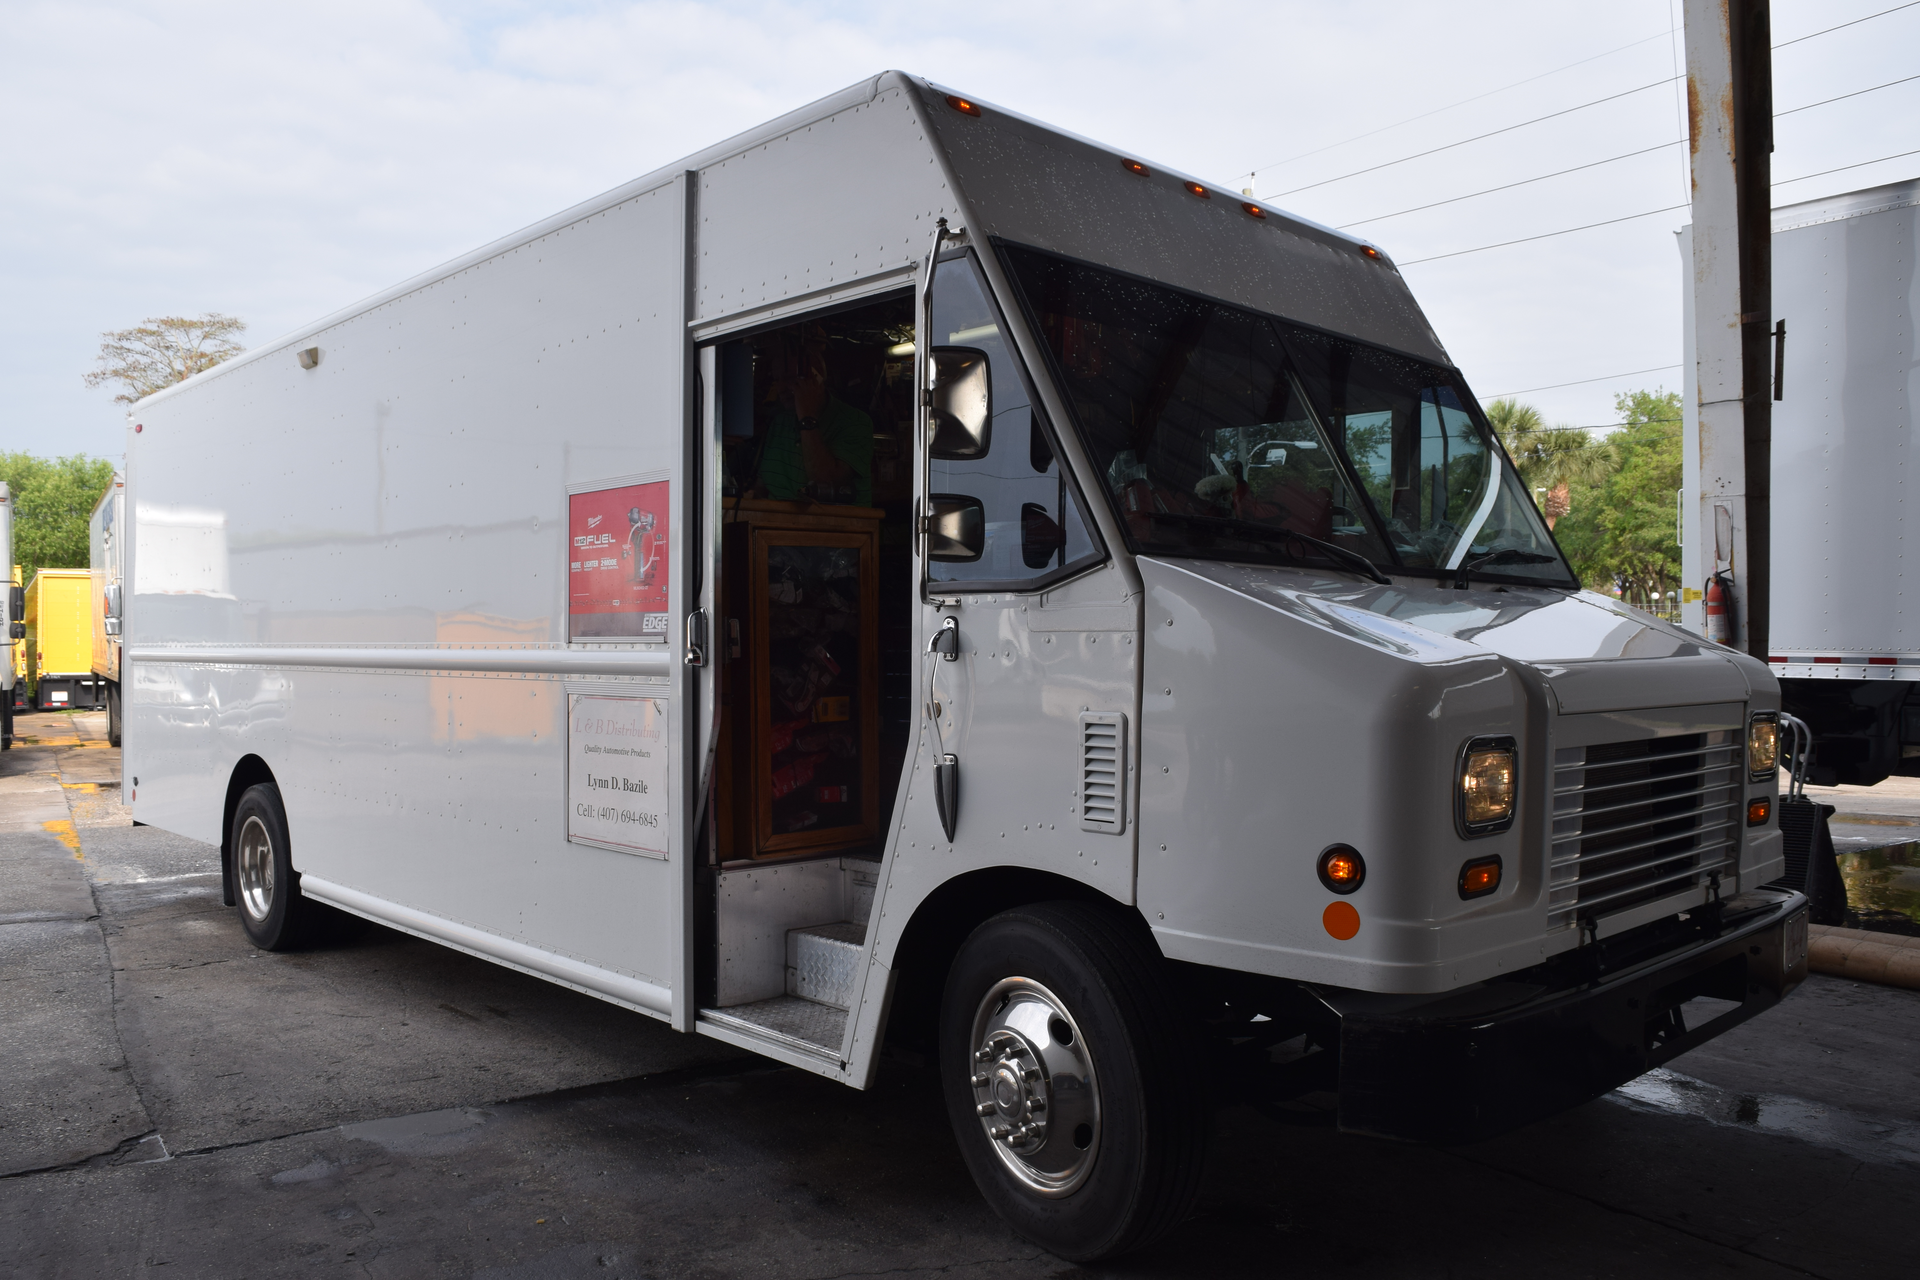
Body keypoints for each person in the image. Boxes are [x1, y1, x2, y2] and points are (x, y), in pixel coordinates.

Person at [756, 324, 873, 507]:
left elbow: (824, 481)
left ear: (816, 378)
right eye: (777, 379)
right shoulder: (779, 423)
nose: (781, 388)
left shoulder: (856, 423)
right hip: (773, 530)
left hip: (831, 530)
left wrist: (807, 416)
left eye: (789, 378)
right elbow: (761, 488)